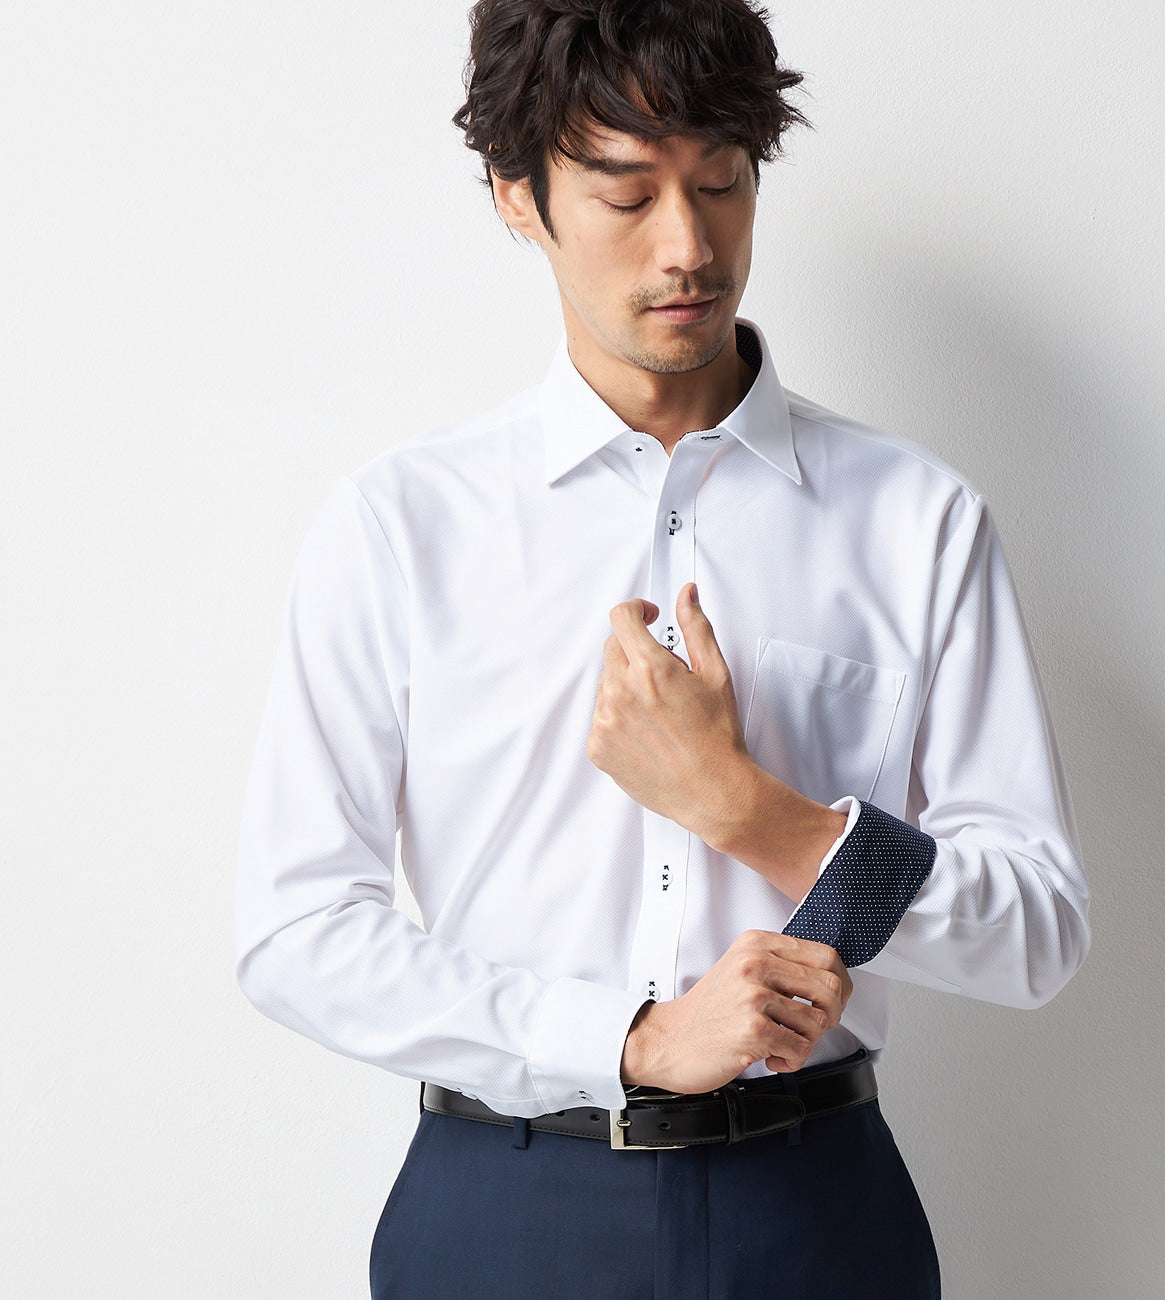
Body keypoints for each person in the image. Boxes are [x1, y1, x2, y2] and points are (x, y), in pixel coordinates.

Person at [234, 1, 1091, 1295]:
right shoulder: (402, 527)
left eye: (722, 183)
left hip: (817, 1211)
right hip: (501, 1211)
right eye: (627, 194)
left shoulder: (916, 520)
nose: (689, 245)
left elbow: (1035, 929)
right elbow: (296, 927)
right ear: (518, 196)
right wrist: (627, 1041)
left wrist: (750, 810)